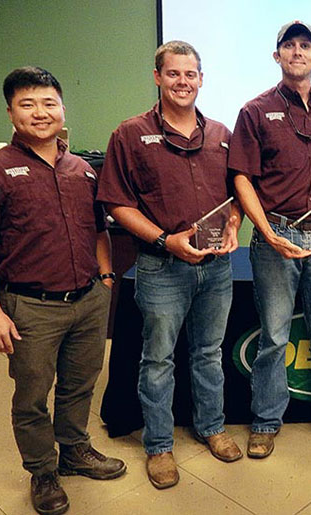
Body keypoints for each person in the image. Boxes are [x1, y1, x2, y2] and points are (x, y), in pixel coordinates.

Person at [0, 66, 125, 515]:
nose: (40, 112)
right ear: (11, 112)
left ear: (62, 108)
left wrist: (106, 279)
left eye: (48, 102)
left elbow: (98, 231)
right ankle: (42, 471)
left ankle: (74, 451)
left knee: (79, 385)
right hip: (31, 307)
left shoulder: (82, 171)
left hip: (88, 300)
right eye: (27, 104)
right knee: (32, 395)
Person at [98, 41, 243, 489]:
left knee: (208, 353)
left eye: (191, 74)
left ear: (202, 78)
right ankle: (159, 445)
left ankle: (212, 427)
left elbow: (236, 194)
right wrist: (166, 240)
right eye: (174, 74)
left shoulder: (221, 133)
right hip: (162, 268)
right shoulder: (129, 133)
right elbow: (117, 204)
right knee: (158, 359)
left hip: (216, 267)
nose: (183, 82)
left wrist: (235, 224)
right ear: (158, 77)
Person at [229, 20, 311, 458]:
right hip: (274, 236)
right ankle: (266, 422)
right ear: (277, 55)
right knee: (273, 338)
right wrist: (266, 232)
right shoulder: (254, 111)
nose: (298, 52)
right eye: (290, 45)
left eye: (306, 46)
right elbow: (241, 178)